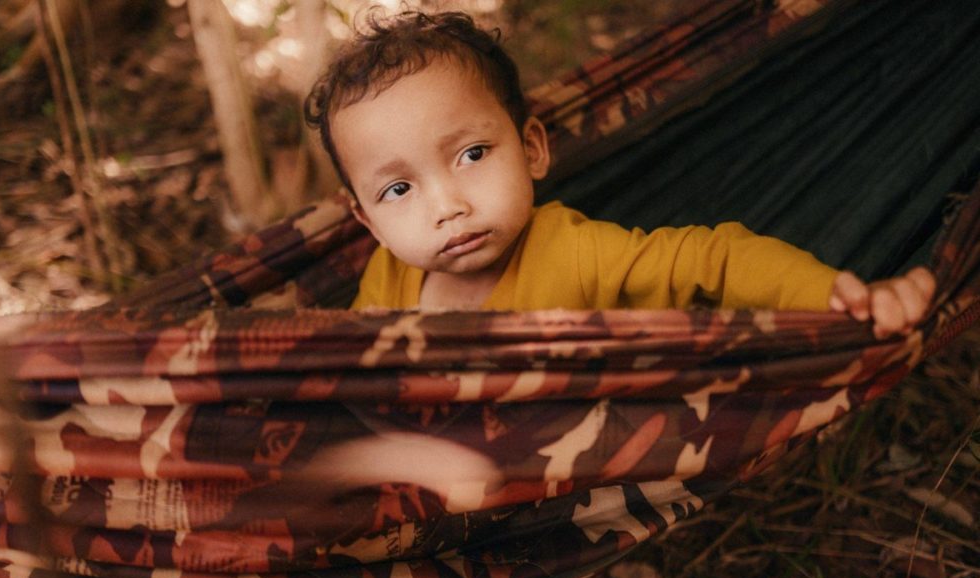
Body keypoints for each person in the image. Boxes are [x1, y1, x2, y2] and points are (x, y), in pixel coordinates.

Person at [305, 10, 934, 338]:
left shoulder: (575, 254)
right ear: (368, 221)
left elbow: (711, 260)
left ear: (531, 149)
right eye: (397, 189)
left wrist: (834, 295)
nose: (447, 205)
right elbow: (353, 380)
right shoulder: (387, 280)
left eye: (471, 155)